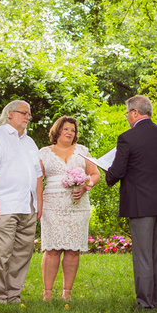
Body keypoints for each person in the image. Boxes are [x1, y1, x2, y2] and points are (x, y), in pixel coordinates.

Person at [105, 95, 157, 310]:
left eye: (127, 113)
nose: (127, 117)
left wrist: (108, 174)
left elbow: (117, 171)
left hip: (140, 204)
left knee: (143, 255)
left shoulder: (127, 138)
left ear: (135, 112)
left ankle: (145, 303)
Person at [0, 100, 44, 304]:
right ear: (10, 114)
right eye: (23, 113)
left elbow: (38, 175)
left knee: (22, 253)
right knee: (0, 253)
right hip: (2, 205)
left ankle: (13, 294)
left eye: (29, 114)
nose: (27, 117)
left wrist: (38, 203)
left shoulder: (30, 142)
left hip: (26, 206)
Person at [38, 116, 101, 300]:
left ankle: (67, 293)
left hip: (78, 206)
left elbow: (95, 174)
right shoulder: (44, 152)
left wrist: (85, 187)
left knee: (73, 249)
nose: (69, 132)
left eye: (72, 130)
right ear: (57, 131)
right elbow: (37, 180)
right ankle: (47, 293)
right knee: (52, 249)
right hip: (52, 205)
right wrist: (38, 204)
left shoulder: (82, 151)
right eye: (66, 129)